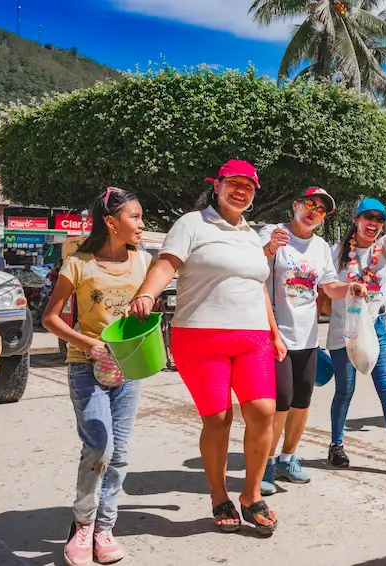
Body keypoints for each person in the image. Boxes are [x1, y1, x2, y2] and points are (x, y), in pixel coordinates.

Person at [129, 160, 285, 536]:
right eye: (233, 183)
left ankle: (250, 495)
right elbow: (166, 264)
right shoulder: (191, 224)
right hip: (201, 337)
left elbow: (256, 284)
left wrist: (274, 331)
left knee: (264, 411)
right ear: (217, 185)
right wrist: (147, 293)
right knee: (218, 419)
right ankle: (219, 495)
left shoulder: (251, 234)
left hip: (253, 338)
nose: (241, 190)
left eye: (248, 185)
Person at [43, 187, 151, 566]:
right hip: (85, 366)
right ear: (111, 222)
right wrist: (88, 343)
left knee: (119, 453)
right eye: (134, 217)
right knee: (99, 447)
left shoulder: (144, 262)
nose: (141, 224)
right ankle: (83, 525)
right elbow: (50, 318)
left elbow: (149, 310)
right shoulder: (78, 263)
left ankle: (105, 528)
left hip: (129, 369)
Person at [259, 188, 366, 494]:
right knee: (279, 403)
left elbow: (329, 285)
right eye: (310, 205)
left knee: (301, 403)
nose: (314, 212)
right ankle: (265, 462)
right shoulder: (274, 234)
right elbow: (253, 270)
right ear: (295, 205)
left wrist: (349, 288)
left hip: (307, 337)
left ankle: (287, 458)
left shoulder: (320, 247)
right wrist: (268, 249)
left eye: (321, 210)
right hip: (276, 335)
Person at [324, 164, 386, 473]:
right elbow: (326, 289)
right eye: (369, 217)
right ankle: (336, 445)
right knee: (345, 390)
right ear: (356, 220)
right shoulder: (335, 252)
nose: (374, 224)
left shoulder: (385, 249)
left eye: (380, 220)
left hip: (378, 327)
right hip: (344, 330)